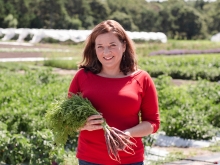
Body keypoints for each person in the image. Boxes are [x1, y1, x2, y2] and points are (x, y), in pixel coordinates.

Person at [68, 20, 160, 165]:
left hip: (130, 159)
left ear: (123, 45)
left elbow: (153, 123)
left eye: (112, 45)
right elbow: (66, 120)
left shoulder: (142, 79)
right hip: (90, 159)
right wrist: (83, 125)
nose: (106, 52)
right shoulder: (82, 77)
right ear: (94, 49)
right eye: (100, 47)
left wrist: (129, 133)